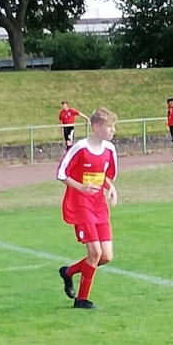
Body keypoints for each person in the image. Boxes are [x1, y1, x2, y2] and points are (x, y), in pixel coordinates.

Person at [57, 108, 118, 310]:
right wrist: (81, 187)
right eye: (110, 127)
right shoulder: (80, 148)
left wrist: (111, 187)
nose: (113, 131)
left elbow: (104, 176)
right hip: (81, 205)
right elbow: (61, 173)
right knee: (95, 252)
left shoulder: (109, 150)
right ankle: (82, 300)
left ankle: (68, 272)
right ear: (96, 127)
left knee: (106, 256)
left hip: (99, 205)